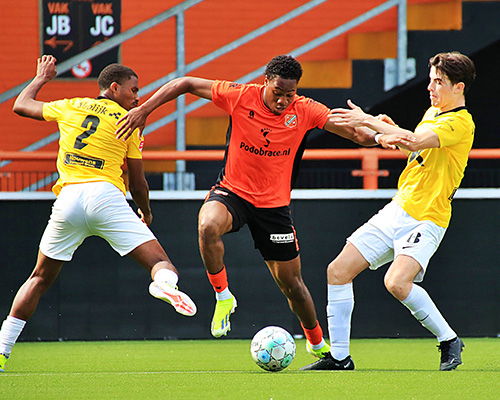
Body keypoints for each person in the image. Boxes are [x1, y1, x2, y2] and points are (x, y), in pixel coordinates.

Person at [115, 55, 411, 358]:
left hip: (274, 208)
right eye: (277, 92)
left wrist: (378, 135)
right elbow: (186, 83)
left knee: (292, 285)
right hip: (233, 193)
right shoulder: (240, 96)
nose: (283, 100)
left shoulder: (306, 110)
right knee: (207, 225)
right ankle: (223, 296)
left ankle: (316, 342)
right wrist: (144, 109)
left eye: (289, 94)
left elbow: (354, 134)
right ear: (265, 81)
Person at [0, 55, 197, 373]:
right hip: (106, 197)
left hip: (68, 201)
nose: (137, 97)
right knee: (161, 264)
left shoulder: (71, 105)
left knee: (38, 278)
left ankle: (1, 351)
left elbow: (21, 106)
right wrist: (145, 212)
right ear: (115, 87)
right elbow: (137, 180)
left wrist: (41, 78)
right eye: (134, 90)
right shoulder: (130, 120)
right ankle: (164, 286)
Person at [301, 51, 476, 371]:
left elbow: (413, 141)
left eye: (439, 82)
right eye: (431, 80)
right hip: (399, 208)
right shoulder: (434, 113)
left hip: (427, 217)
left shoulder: (460, 123)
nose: (431, 87)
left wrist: (367, 120)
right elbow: (411, 143)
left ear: (459, 88)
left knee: (396, 283)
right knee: (337, 271)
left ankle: (449, 340)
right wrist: (388, 130)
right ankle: (340, 358)